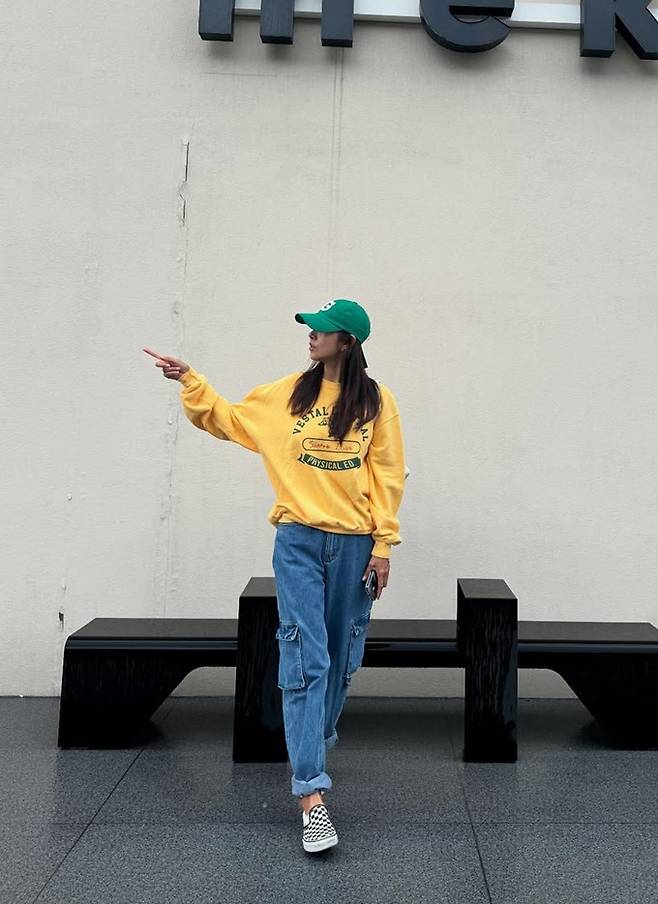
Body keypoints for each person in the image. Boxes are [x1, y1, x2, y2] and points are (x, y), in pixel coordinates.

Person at [143, 298, 408, 854]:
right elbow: (229, 419)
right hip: (298, 544)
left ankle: (313, 738)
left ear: (348, 341)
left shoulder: (376, 402)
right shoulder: (288, 395)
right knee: (307, 659)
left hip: (356, 545)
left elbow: (388, 474)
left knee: (341, 658)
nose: (311, 336)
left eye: (322, 330)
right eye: (310, 328)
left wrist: (383, 545)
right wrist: (191, 380)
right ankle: (311, 794)